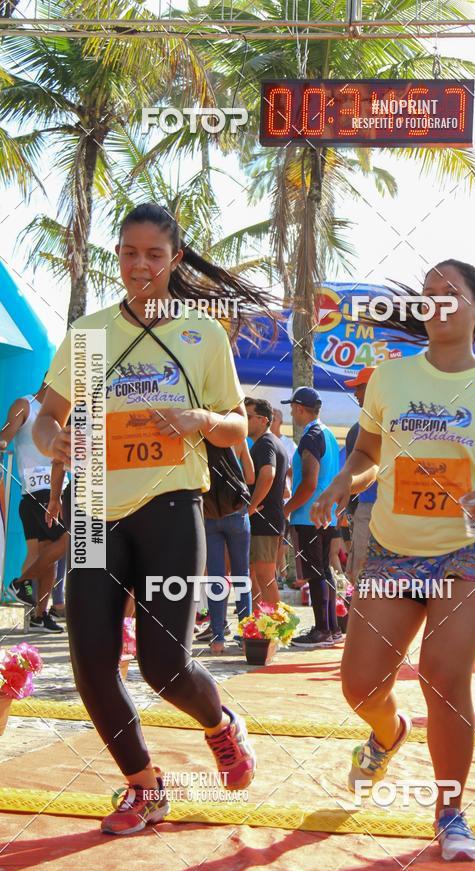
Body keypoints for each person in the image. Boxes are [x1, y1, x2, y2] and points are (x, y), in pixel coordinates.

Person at [33, 202, 275, 835]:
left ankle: (220, 724)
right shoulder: (88, 335)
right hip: (91, 515)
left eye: (155, 255)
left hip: (172, 506)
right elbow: (45, 416)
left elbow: (232, 426)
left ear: (174, 260)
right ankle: (144, 786)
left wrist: (200, 422)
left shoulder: (202, 335)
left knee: (165, 666)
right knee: (90, 664)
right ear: (118, 255)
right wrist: (53, 437)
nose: (141, 266)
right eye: (130, 253)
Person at [311, 260, 475, 862]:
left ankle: (450, 811)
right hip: (396, 547)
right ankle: (388, 732)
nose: (435, 304)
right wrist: (347, 480)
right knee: (360, 683)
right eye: (426, 296)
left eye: (450, 295)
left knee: (443, 675)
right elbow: (368, 452)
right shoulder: (392, 379)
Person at [1, 382, 65, 633]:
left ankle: (40, 615)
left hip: (57, 489)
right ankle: (20, 582)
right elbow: (6, 433)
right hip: (36, 489)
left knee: (46, 554)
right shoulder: (24, 404)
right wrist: (3, 442)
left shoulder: (64, 413)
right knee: (70, 540)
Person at [282, 387, 342, 648]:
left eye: (292, 407)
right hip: (326, 513)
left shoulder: (311, 436)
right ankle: (331, 628)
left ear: (299, 408)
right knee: (324, 571)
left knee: (316, 573)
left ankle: (321, 630)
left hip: (309, 515)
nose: (291, 412)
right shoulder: (327, 433)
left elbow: (309, 482)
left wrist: (286, 509)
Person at [204, 439, 254, 654]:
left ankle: (217, 639)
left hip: (209, 513)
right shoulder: (237, 439)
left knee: (216, 576)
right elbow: (250, 476)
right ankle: (246, 637)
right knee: (241, 574)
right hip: (237, 513)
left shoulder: (200, 439)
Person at [245, 398, 288, 606]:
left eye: (248, 416)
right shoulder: (270, 442)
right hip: (267, 519)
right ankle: (258, 629)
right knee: (253, 574)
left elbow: (268, 474)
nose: (243, 420)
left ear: (263, 420)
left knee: (264, 576)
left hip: (265, 519)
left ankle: (277, 629)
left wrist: (251, 507)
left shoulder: (266, 443)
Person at [343, 367, 378, 584]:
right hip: (374, 509)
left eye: (360, 387)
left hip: (369, 509)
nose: (355, 393)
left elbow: (349, 476)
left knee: (362, 574)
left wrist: (348, 509)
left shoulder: (360, 429)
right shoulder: (357, 429)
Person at [271, 407, 297, 584]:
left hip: (284, 499)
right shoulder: (258, 440)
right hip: (267, 498)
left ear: (279, 421)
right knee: (271, 540)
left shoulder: (289, 444)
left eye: (273, 418)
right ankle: (275, 574)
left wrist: (283, 475)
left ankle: (281, 574)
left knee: (281, 540)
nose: (270, 421)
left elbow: (295, 469)